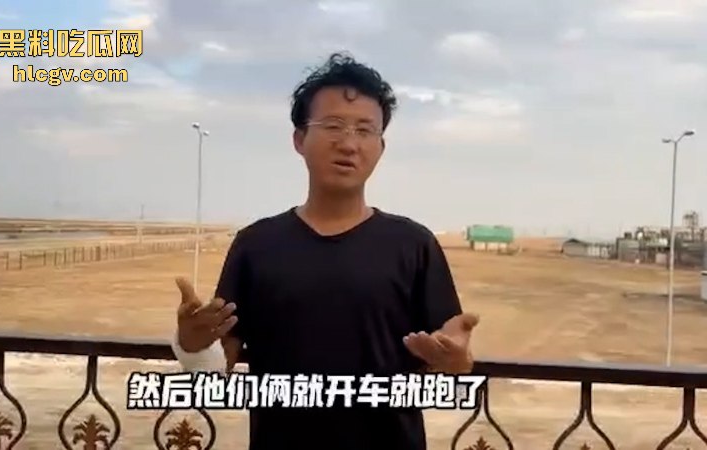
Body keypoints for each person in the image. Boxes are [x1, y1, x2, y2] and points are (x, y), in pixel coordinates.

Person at [171, 52, 479, 450]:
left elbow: (449, 361)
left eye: (365, 130)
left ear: (380, 147)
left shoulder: (415, 245)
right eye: (333, 126)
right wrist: (192, 346)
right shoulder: (256, 244)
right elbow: (217, 370)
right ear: (299, 139)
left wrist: (456, 362)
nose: (349, 143)